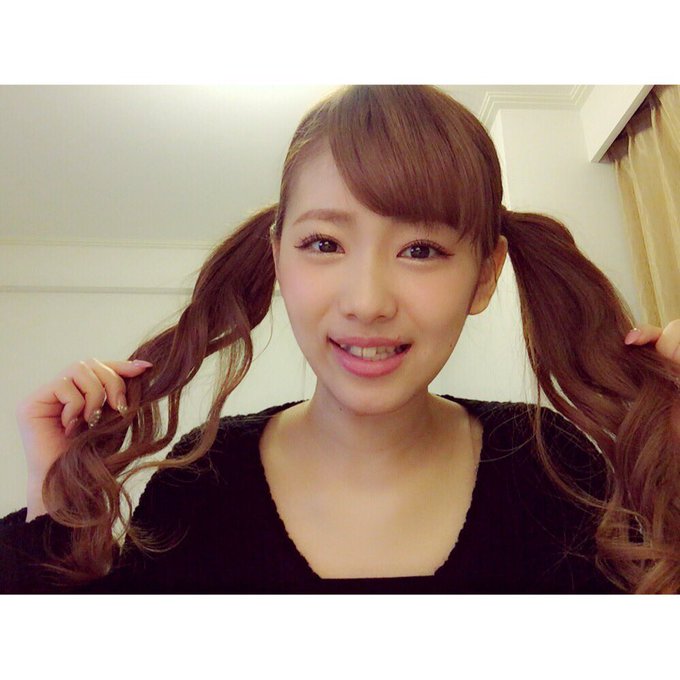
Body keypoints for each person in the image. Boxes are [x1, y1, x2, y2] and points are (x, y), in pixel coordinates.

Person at [1, 85, 679, 594]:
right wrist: (56, 496)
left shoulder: (551, 465)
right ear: (278, 259)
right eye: (324, 243)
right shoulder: (200, 481)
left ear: (484, 276)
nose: (366, 302)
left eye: (421, 250)